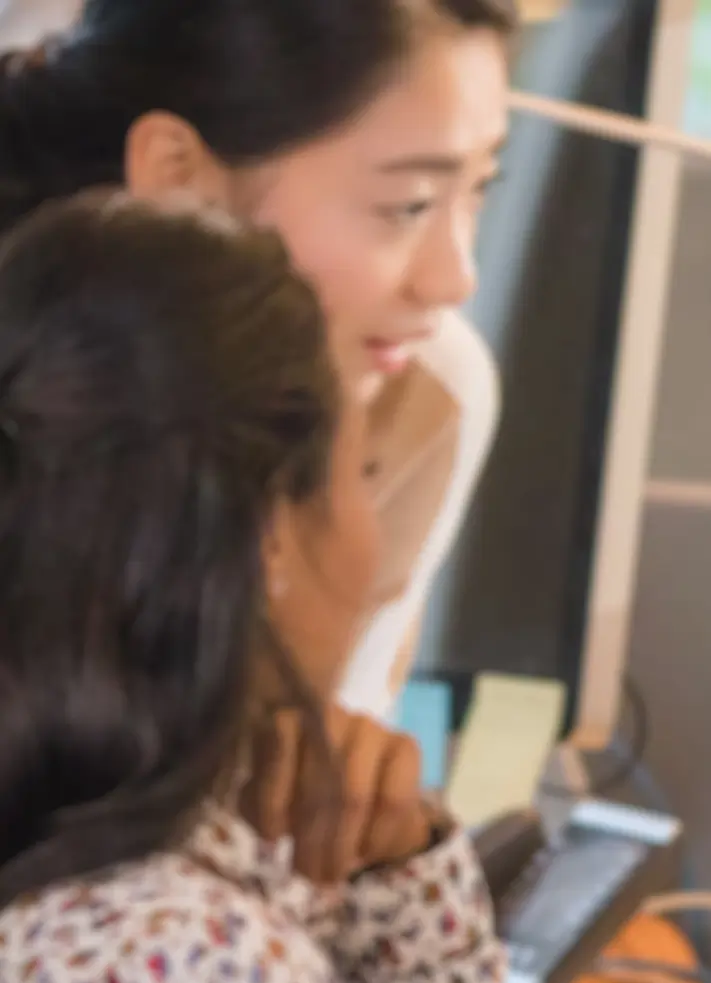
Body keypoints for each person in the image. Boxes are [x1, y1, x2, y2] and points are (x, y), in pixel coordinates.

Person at [0, 195, 503, 983]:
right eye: (357, 476)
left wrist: (399, 873)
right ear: (269, 529)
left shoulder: (129, 871)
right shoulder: (199, 955)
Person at [0, 0, 518, 716]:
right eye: (409, 204)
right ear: (177, 173)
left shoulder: (421, 393)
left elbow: (307, 789)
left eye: (480, 191)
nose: (455, 279)